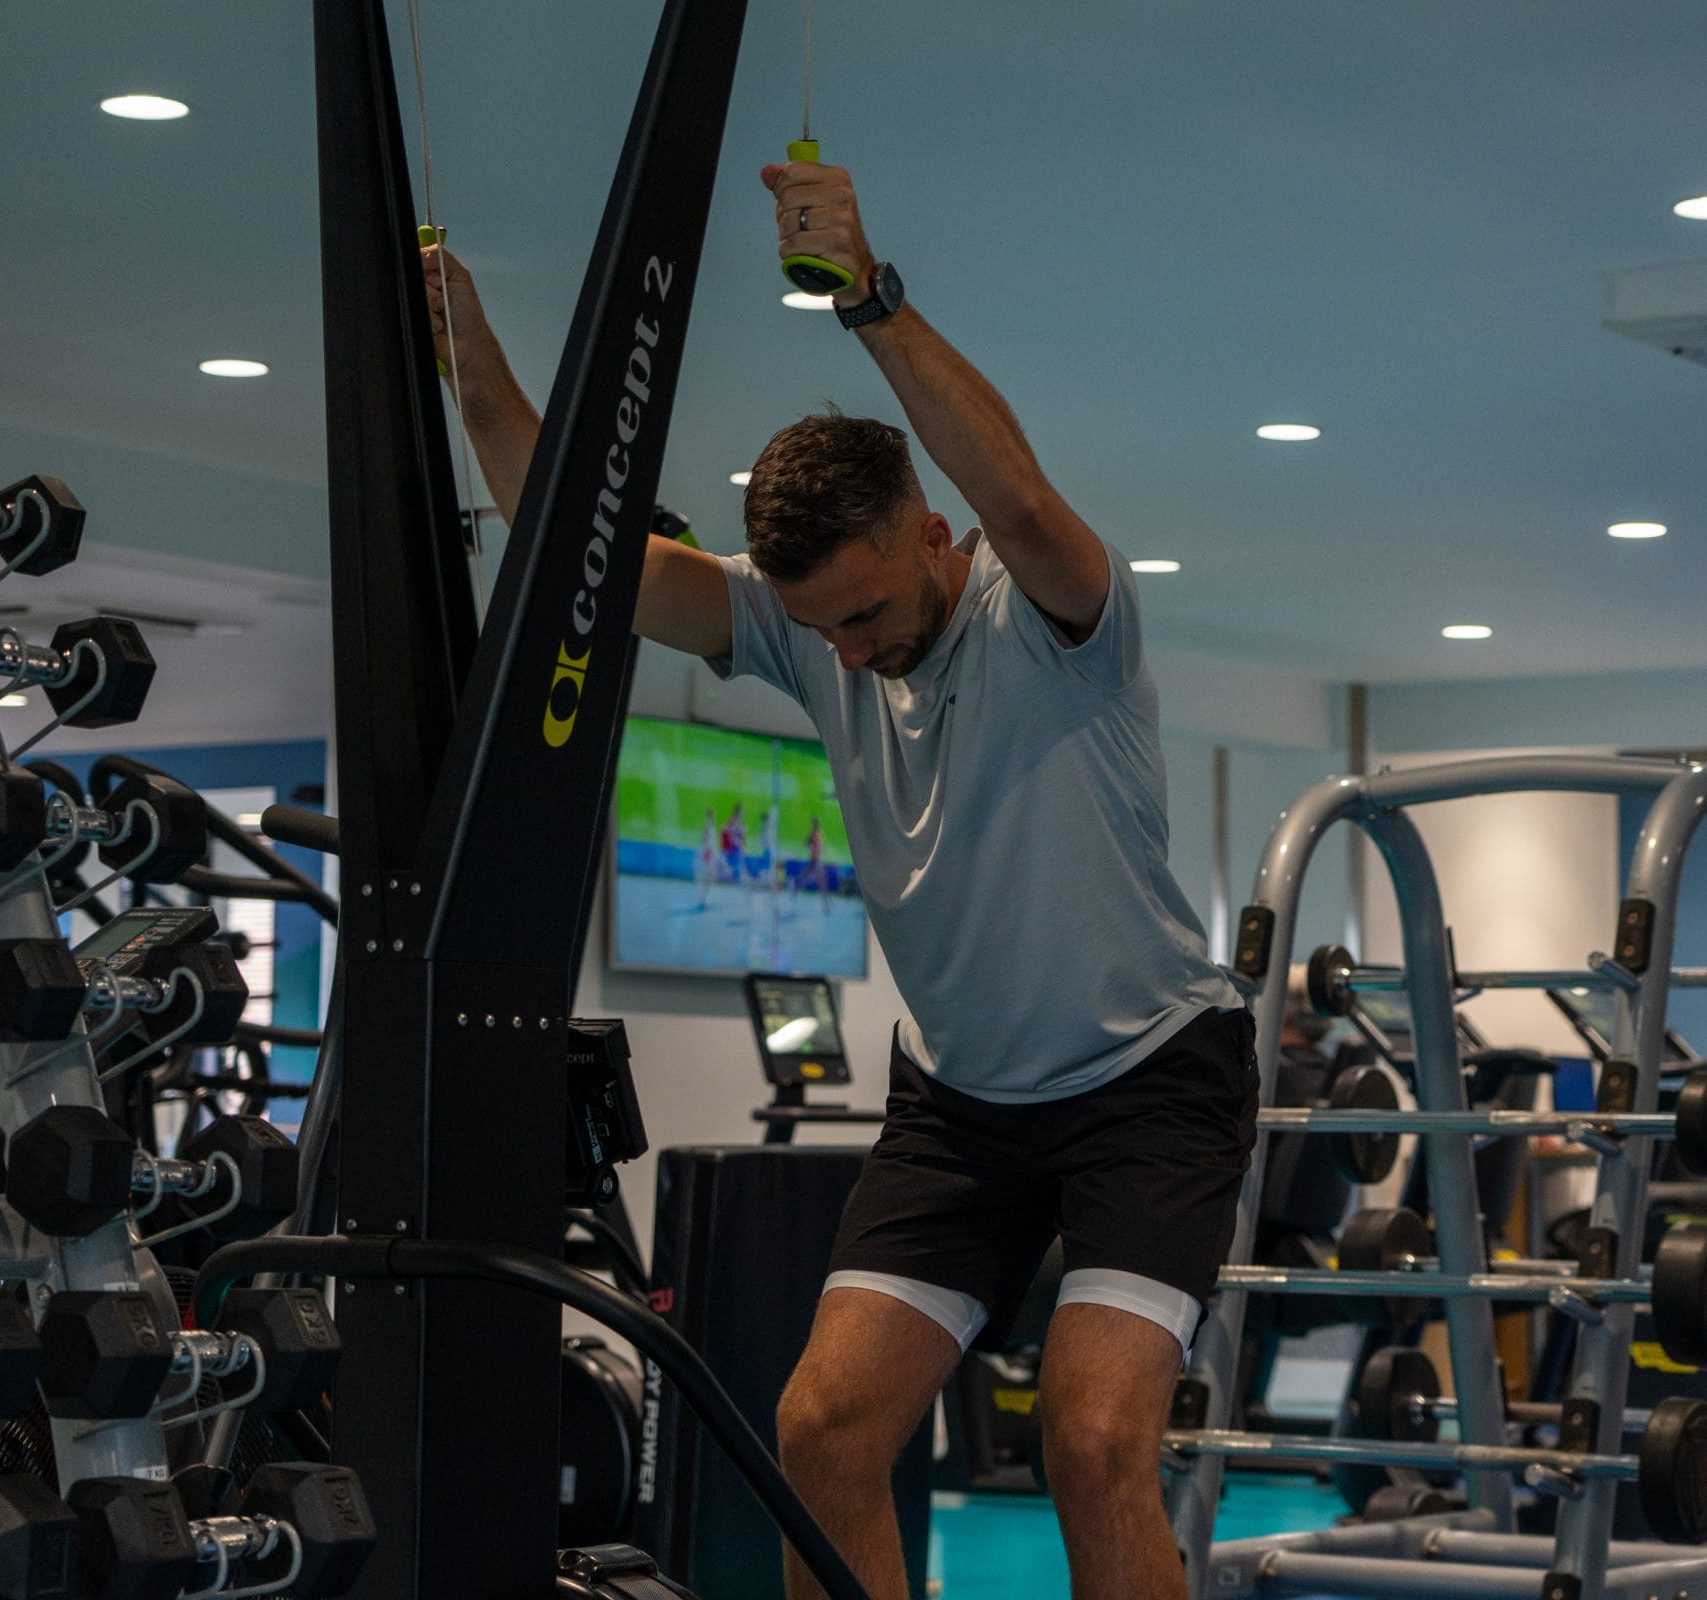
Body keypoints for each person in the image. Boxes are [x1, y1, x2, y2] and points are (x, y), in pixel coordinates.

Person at [423, 154, 1252, 1600]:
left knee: (1096, 1440)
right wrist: (476, 369)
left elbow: (1023, 487)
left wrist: (865, 295)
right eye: (826, 630)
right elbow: (592, 563)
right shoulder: (814, 635)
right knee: (823, 1429)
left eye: (866, 611)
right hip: (964, 1106)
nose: (848, 654)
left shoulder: (1057, 619)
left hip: (1147, 1085)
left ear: (933, 535)